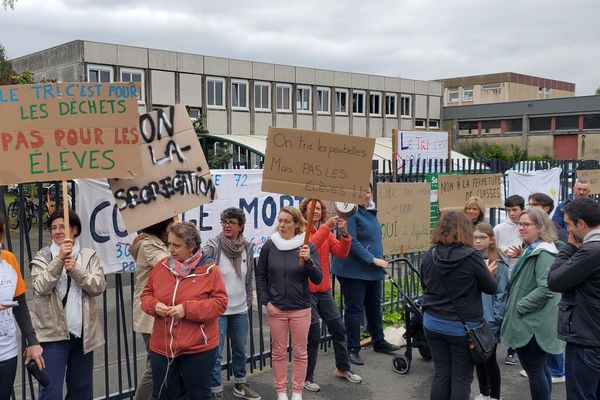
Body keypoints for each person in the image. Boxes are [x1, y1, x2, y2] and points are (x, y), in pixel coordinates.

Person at [141, 221, 228, 400]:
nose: (171, 249)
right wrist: (154, 306)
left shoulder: (211, 271)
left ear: (192, 246)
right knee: (164, 395)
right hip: (162, 347)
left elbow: (220, 303)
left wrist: (186, 309)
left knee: (198, 395)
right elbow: (146, 294)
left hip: (198, 349)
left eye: (177, 245)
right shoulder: (161, 266)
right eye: (169, 244)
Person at [30, 209, 107, 399]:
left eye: (62, 227)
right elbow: (40, 287)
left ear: (75, 230)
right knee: (51, 390)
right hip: (53, 336)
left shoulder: (88, 256)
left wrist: (76, 270)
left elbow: (98, 287)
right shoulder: (43, 257)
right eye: (53, 227)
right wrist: (59, 261)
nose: (57, 231)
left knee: (81, 388)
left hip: (83, 335)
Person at [420, 211, 497, 400]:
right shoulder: (472, 257)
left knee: (441, 373)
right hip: (462, 328)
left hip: (432, 323)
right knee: (461, 378)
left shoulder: (431, 254)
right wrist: (487, 272)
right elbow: (491, 288)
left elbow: (425, 284)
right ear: (466, 229)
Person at [255, 206, 323, 400]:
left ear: (296, 224)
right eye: (280, 221)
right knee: (278, 353)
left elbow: (318, 279)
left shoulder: (307, 246)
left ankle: (298, 392)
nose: (282, 225)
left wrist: (308, 261)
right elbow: (260, 275)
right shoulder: (270, 245)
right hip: (276, 308)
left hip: (300, 309)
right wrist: (265, 301)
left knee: (300, 353)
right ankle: (281, 392)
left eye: (286, 221)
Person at [331, 184, 400, 367]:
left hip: (372, 270)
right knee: (355, 310)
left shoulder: (369, 211)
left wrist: (375, 261)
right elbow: (351, 242)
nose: (365, 195)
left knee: (374, 306)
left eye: (368, 191)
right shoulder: (351, 213)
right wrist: (372, 259)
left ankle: (379, 341)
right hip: (354, 271)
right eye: (361, 192)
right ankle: (352, 348)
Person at [298, 199, 362, 393]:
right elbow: (310, 247)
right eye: (310, 209)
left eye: (317, 208)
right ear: (304, 212)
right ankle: (306, 378)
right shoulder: (301, 231)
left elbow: (341, 253)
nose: (315, 212)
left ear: (322, 210)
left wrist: (344, 234)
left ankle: (343, 368)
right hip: (306, 292)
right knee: (313, 337)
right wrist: (327, 228)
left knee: (339, 329)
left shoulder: (325, 231)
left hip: (324, 290)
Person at [500, 208, 563, 400]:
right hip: (534, 322)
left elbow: (546, 288)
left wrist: (520, 306)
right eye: (520, 224)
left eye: (526, 224)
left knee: (535, 370)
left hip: (532, 324)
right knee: (540, 368)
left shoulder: (544, 252)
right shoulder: (537, 248)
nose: (521, 228)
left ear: (540, 226)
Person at [203, 208, 261, 400]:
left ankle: (240, 384)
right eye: (224, 222)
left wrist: (248, 302)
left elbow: (249, 277)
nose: (227, 225)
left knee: (240, 349)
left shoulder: (247, 247)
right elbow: (203, 274)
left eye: (232, 222)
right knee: (215, 353)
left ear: (240, 226)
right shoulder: (213, 246)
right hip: (219, 311)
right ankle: (216, 390)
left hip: (240, 309)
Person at [548, 197, 600, 399]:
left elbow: (554, 280)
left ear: (581, 224)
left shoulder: (591, 251)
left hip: (587, 339)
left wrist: (569, 247)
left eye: (569, 224)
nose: (567, 230)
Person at [0, 213, 44, 400]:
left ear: (1, 235)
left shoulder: (9, 260)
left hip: (7, 352)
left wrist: (32, 342)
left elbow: (21, 305)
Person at [526, 193, 567, 383]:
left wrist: (520, 305)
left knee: (549, 336)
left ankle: (557, 371)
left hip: (548, 305)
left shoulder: (549, 245)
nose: (531, 206)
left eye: (535, 204)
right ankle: (546, 367)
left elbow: (546, 287)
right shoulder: (533, 244)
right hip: (543, 303)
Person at [131, 218, 172, 400]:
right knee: (155, 365)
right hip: (149, 313)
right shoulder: (148, 245)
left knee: (159, 363)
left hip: (158, 311)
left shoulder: (157, 243)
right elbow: (169, 265)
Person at [472, 222, 509, 400]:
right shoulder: (471, 259)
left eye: (482, 238)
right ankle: (483, 392)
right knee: (478, 357)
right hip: (474, 317)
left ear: (491, 240)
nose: (478, 241)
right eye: (475, 238)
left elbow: (501, 295)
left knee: (490, 359)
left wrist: (496, 317)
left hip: (489, 320)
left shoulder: (499, 263)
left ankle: (495, 395)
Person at [494, 194, 525, 366]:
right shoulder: (499, 228)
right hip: (504, 272)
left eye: (515, 210)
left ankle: (513, 349)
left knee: (515, 310)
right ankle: (493, 342)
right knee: (500, 307)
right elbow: (494, 247)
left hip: (519, 272)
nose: (512, 214)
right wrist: (502, 252)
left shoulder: (525, 227)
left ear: (522, 209)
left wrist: (521, 252)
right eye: (508, 210)